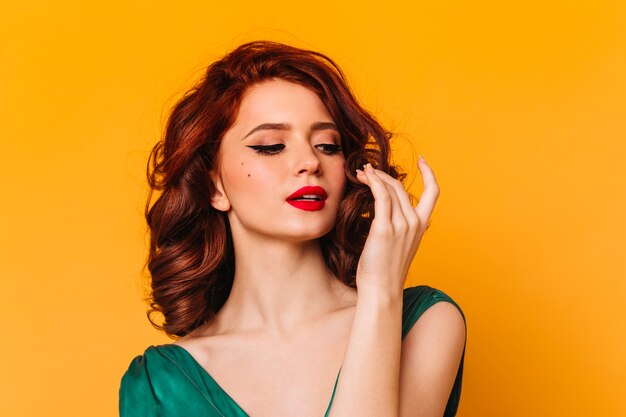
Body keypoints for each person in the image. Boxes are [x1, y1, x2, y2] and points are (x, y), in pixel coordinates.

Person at [119, 40, 467, 417]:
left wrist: (381, 291)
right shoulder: (160, 386)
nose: (308, 162)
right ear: (214, 186)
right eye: (270, 146)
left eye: (327, 145)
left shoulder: (424, 323)